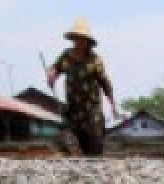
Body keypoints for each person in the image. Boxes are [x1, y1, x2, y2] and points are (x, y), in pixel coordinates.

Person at [47, 19, 119, 157]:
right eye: (76, 39)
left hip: (91, 109)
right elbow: (55, 68)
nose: (79, 42)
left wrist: (113, 104)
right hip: (73, 109)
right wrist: (52, 75)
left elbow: (105, 82)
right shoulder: (66, 56)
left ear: (88, 41)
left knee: (95, 144)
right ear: (73, 39)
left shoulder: (95, 60)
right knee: (71, 143)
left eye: (82, 39)